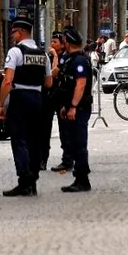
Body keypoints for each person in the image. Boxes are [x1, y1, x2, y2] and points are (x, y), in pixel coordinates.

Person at [0, 17, 51, 197]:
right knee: (34, 140)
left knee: (19, 139)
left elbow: (8, 80)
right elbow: (49, 82)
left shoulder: (15, 52)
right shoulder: (43, 54)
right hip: (37, 97)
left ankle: (24, 180)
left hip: (20, 97)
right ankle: (33, 179)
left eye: (13, 32)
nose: (12, 36)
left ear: (19, 33)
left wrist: (1, 104)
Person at [56, 26, 94, 192]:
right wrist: (65, 105)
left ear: (67, 41)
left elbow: (80, 84)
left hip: (79, 108)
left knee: (79, 144)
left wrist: (73, 106)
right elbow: (67, 86)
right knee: (74, 142)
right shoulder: (71, 59)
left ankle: (82, 179)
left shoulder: (79, 61)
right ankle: (79, 178)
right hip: (72, 107)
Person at [42, 32, 65, 171]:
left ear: (62, 44)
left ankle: (67, 159)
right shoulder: (47, 57)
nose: (52, 44)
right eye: (52, 41)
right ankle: (42, 159)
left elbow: (54, 73)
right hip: (48, 96)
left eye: (55, 42)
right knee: (44, 129)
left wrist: (56, 56)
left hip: (61, 97)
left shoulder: (65, 57)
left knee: (64, 129)